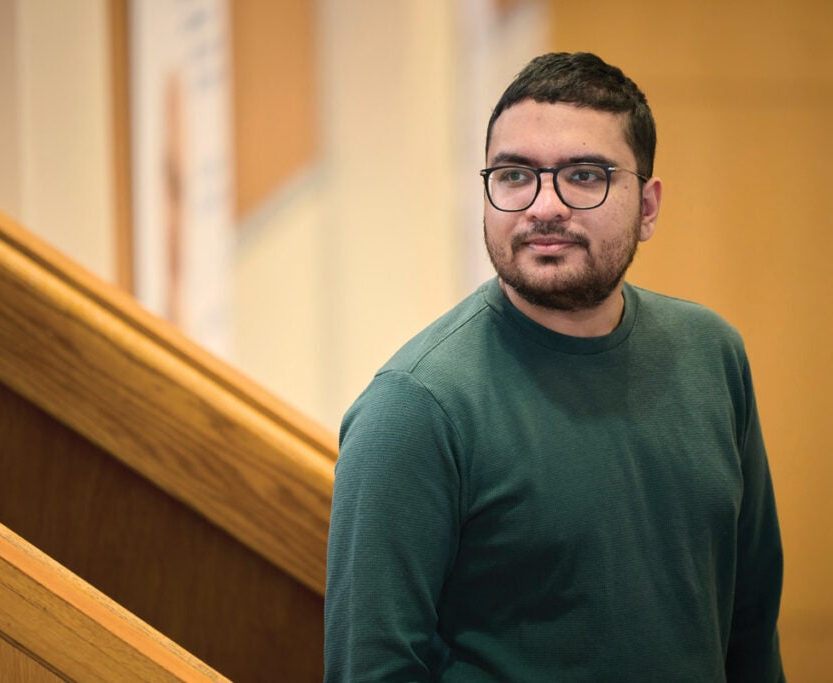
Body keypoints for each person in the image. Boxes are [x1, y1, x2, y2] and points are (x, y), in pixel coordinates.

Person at [324, 52, 784, 681]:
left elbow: (751, 625)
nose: (545, 206)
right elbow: (371, 670)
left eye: (585, 175)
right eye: (515, 175)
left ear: (648, 206)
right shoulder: (415, 408)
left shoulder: (712, 354)